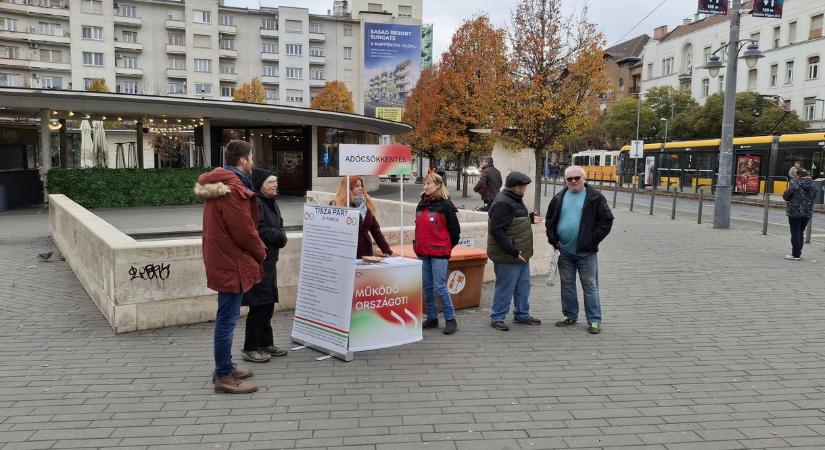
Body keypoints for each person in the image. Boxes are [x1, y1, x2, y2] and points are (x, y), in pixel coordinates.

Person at [195, 140, 265, 394]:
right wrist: (261, 252)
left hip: (222, 258)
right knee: (227, 320)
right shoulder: (233, 190)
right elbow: (244, 232)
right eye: (252, 157)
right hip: (230, 260)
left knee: (227, 317)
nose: (253, 162)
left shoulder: (218, 185)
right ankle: (224, 376)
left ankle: (224, 366)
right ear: (243, 160)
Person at [545, 165, 614, 334]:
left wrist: (592, 240)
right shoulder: (559, 197)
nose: (574, 181)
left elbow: (606, 220)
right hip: (564, 252)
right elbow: (550, 221)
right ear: (565, 181)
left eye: (577, 178)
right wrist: (553, 239)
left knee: (590, 286)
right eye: (570, 179)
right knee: (567, 285)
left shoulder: (595, 197)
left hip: (586, 252)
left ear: (584, 178)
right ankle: (569, 315)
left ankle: (594, 320)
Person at [241, 169, 290, 363]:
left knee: (268, 303)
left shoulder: (271, 202)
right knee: (259, 305)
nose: (275, 185)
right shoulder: (256, 202)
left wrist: (280, 234)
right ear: (261, 184)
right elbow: (260, 230)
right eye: (271, 182)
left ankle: (265, 343)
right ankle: (250, 348)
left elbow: (279, 224)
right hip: (259, 262)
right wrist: (281, 236)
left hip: (270, 261)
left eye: (275, 181)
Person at [487, 171, 543, 331]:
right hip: (509, 255)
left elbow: (512, 220)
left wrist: (529, 218)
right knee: (505, 287)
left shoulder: (513, 199)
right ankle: (497, 317)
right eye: (524, 187)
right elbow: (497, 230)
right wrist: (513, 251)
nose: (525, 190)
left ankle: (522, 314)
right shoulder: (503, 202)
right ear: (517, 188)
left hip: (521, 254)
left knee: (523, 285)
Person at [414, 173, 461, 335]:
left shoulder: (446, 205)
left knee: (440, 286)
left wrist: (445, 247)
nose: (426, 186)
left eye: (429, 184)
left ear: (438, 185)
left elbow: (455, 232)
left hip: (439, 252)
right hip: (423, 251)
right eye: (425, 184)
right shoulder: (421, 203)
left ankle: (450, 319)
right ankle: (432, 318)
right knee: (427, 286)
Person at [332, 176, 393, 259]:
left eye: (361, 186)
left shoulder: (366, 205)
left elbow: (375, 230)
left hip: (365, 250)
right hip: (346, 251)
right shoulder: (338, 206)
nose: (361, 188)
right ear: (348, 189)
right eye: (357, 186)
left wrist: (387, 250)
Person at [783, 168, 816, 261]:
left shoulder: (795, 183)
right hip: (807, 212)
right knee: (800, 231)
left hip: (795, 211)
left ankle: (795, 254)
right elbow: (814, 196)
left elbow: (786, 196)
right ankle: (798, 253)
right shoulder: (813, 185)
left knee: (795, 232)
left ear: (798, 175)